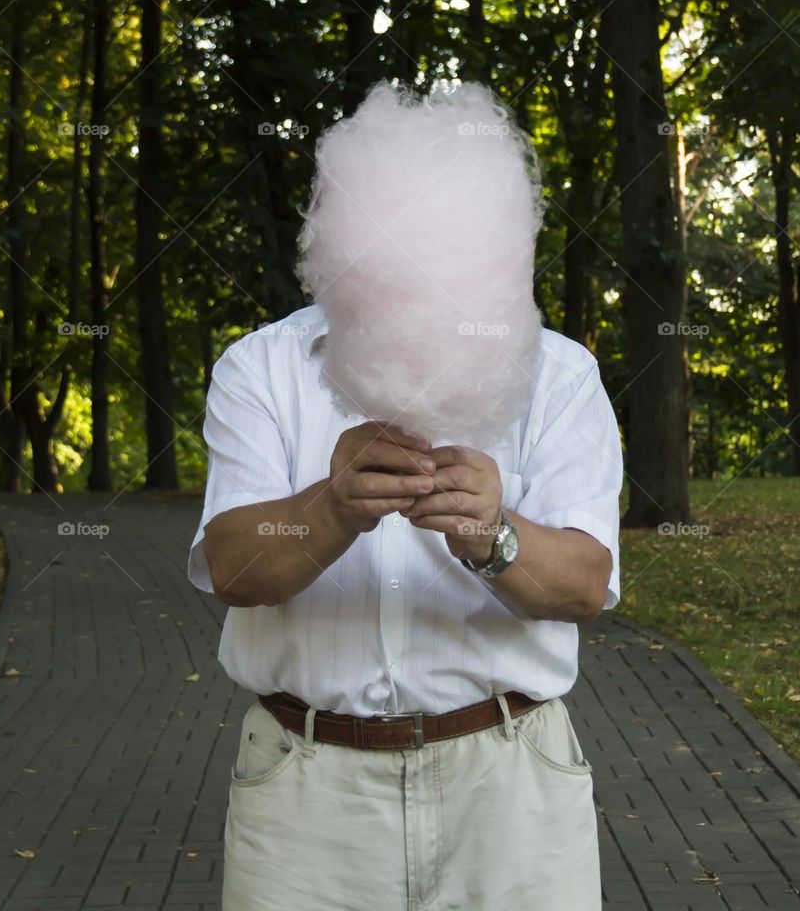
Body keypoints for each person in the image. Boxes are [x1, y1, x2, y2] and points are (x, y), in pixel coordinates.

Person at [187, 81, 623, 910]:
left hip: (510, 785)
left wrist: (495, 533)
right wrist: (330, 508)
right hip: (304, 792)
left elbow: (584, 586)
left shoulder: (560, 376)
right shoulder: (261, 369)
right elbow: (231, 569)